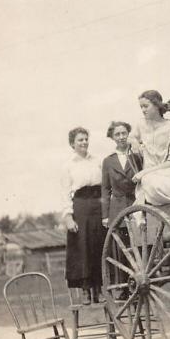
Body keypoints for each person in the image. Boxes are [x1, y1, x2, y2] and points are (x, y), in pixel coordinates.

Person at [62, 127, 106, 305]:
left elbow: (105, 185)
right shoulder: (68, 166)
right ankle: (87, 290)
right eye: (80, 140)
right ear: (72, 143)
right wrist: (68, 217)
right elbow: (64, 193)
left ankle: (100, 289)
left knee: (99, 245)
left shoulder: (97, 161)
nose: (84, 142)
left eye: (86, 139)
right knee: (83, 246)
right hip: (80, 206)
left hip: (98, 204)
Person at [130, 90, 170, 206]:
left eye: (146, 106)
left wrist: (144, 172)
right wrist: (134, 141)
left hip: (166, 172)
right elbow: (131, 137)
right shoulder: (141, 124)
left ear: (156, 105)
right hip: (147, 175)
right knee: (148, 181)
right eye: (141, 107)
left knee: (156, 183)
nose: (143, 110)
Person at [101, 121, 141, 227]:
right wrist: (105, 216)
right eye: (117, 134)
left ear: (128, 134)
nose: (121, 137)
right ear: (112, 137)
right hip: (117, 209)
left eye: (124, 133)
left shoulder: (137, 156)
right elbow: (105, 189)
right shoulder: (108, 161)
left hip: (137, 204)